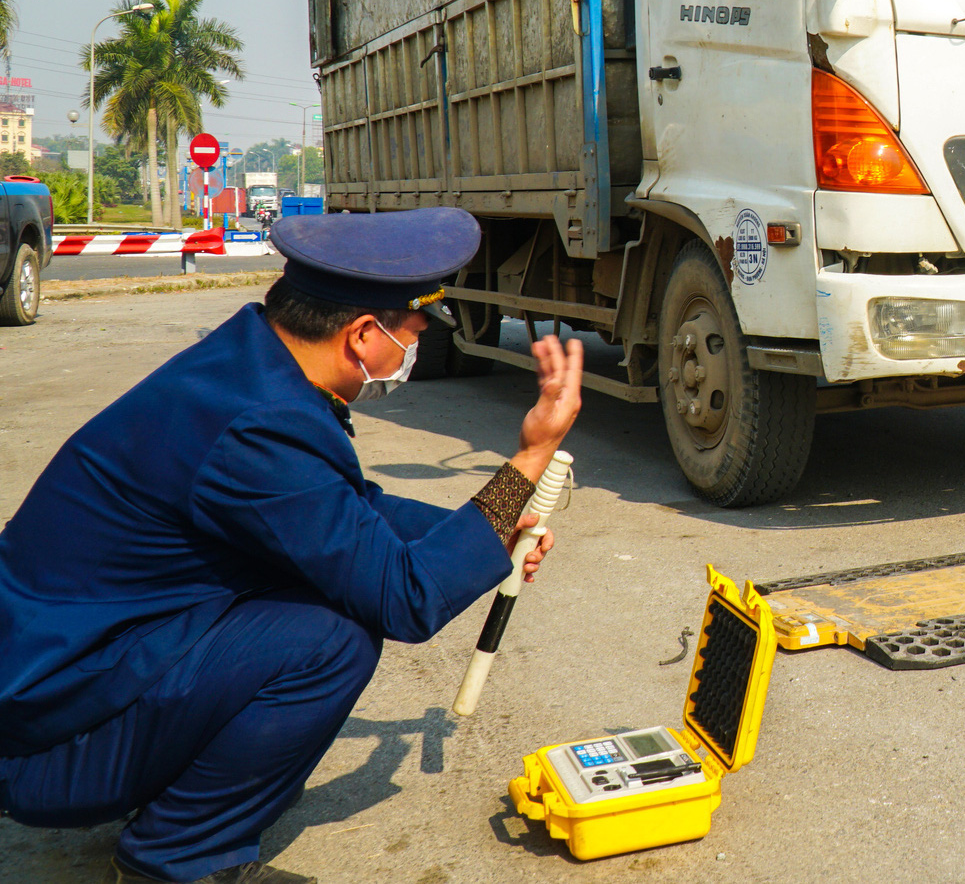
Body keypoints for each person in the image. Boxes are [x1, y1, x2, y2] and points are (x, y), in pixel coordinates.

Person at [0, 208, 586, 883]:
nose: (413, 351)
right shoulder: (261, 427)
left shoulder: (249, 367)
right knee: (331, 639)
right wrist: (531, 457)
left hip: (59, 676)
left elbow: (347, 512)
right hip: (44, 739)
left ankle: (191, 806)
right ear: (364, 335)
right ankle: (182, 858)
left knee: (320, 590)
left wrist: (491, 528)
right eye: (413, 334)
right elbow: (408, 598)